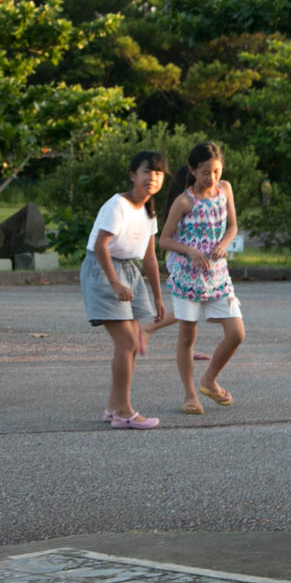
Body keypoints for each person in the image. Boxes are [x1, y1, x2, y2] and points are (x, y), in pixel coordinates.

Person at [80, 150, 168, 429]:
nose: (152, 177)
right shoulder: (117, 205)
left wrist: (157, 296)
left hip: (128, 271)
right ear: (133, 175)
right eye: (146, 171)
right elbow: (100, 246)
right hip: (103, 269)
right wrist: (115, 283)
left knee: (130, 345)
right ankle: (124, 411)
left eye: (158, 173)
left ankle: (113, 407)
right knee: (127, 343)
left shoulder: (148, 211)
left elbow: (150, 258)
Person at [159, 142, 245, 415]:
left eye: (217, 171)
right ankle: (190, 395)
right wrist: (190, 251)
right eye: (206, 172)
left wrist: (224, 244)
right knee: (187, 338)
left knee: (236, 333)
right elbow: (164, 240)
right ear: (194, 170)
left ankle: (208, 380)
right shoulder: (184, 201)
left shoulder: (226, 189)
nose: (212, 178)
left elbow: (232, 226)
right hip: (188, 278)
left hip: (218, 275)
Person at [138, 165, 210, 362]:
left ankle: (186, 347)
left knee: (192, 302)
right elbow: (169, 239)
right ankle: (148, 329)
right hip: (180, 260)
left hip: (188, 260)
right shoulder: (184, 204)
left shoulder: (189, 202)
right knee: (191, 303)